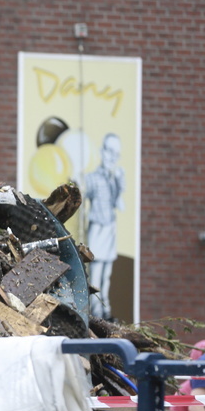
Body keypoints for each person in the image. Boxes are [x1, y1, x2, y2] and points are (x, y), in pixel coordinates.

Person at [83, 133, 125, 320]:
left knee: (106, 274)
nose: (112, 157)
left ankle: (104, 309)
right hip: (98, 228)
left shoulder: (114, 179)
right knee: (96, 272)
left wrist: (120, 185)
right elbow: (83, 196)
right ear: (102, 152)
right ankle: (96, 311)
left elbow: (119, 203)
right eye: (109, 151)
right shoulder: (93, 178)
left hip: (110, 228)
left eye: (116, 153)